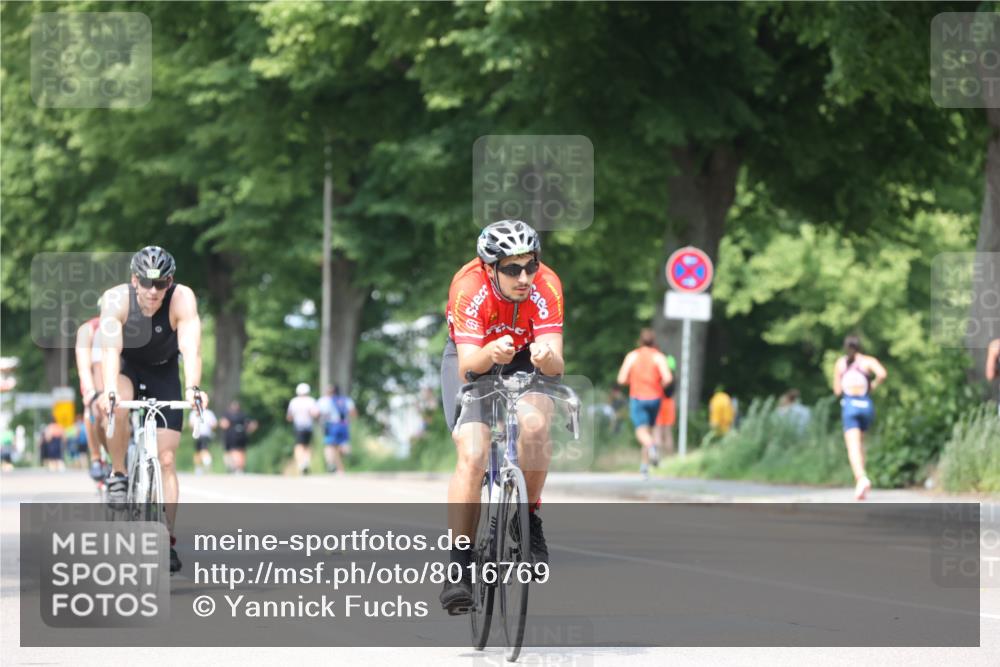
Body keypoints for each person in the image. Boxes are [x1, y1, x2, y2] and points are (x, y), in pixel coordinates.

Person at [438, 220, 565, 615]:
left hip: (525, 356)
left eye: (530, 266)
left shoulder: (546, 285)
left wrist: (546, 357)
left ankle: (527, 518)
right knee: (473, 452)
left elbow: (557, 365)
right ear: (490, 268)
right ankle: (459, 566)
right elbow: (467, 367)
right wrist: (491, 353)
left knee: (536, 425)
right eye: (512, 269)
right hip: (474, 356)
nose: (524, 278)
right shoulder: (469, 287)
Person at [97, 246, 208, 574]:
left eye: (161, 284)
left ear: (170, 282)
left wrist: (194, 388)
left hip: (163, 372)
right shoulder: (116, 299)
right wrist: (109, 390)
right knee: (118, 405)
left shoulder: (181, 298)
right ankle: (119, 474)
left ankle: (167, 539)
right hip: (127, 367)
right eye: (146, 283)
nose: (152, 291)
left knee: (168, 459)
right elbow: (110, 350)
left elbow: (191, 347)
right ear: (135, 280)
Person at [832, 335, 887, 501]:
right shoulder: (867, 361)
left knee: (853, 446)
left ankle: (861, 478)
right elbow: (882, 374)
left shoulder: (841, 363)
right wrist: (872, 386)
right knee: (862, 444)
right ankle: (861, 481)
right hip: (866, 405)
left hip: (850, 406)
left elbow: (837, 391)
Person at [617, 328, 672, 476]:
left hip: (638, 397)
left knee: (641, 432)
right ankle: (645, 466)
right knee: (649, 432)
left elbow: (621, 379)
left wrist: (632, 381)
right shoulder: (658, 356)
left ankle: (652, 448)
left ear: (640, 341)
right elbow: (667, 378)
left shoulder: (632, 356)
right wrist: (658, 385)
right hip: (655, 398)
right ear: (654, 342)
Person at [75, 315, 109, 482]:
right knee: (92, 411)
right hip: (95, 380)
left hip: (120, 378)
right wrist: (91, 391)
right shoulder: (88, 330)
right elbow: (84, 367)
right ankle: (96, 458)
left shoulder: (128, 324)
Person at [318, 384, 356, 473]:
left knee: (329, 445)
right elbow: (353, 413)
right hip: (344, 424)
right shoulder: (346, 400)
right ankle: (343, 456)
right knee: (342, 444)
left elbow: (319, 412)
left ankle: (330, 463)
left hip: (331, 425)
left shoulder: (326, 400)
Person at [287, 383, 318, 475]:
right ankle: (306, 462)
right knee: (307, 446)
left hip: (298, 426)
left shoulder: (294, 401)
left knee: (299, 446)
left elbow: (289, 417)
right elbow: (315, 414)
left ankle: (300, 464)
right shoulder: (311, 401)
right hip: (308, 426)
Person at [220, 400, 257, 473]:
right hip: (240, 435)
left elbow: (223, 424)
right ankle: (238, 468)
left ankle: (236, 467)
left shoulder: (229, 414)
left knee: (235, 451)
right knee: (240, 451)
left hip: (233, 436)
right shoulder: (243, 414)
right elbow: (252, 424)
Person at [653, 354, 678, 458]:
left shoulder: (662, 378)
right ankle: (670, 457)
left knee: (657, 431)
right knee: (668, 432)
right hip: (670, 404)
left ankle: (658, 457)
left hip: (659, 403)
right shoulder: (674, 378)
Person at [193, 406, 218, 474]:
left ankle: (201, 466)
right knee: (200, 451)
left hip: (201, 435)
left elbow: (191, 424)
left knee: (201, 451)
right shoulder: (208, 413)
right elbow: (214, 424)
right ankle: (204, 465)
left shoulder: (195, 412)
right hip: (202, 435)